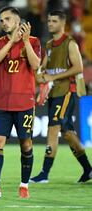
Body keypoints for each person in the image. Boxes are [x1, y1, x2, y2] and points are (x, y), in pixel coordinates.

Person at [0, 6, 41, 198]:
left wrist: (24, 42)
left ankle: (24, 185)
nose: (3, 22)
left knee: (26, 144)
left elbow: (36, 65)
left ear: (17, 21)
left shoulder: (34, 41)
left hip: (24, 102)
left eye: (7, 19)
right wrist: (11, 42)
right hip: (2, 103)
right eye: (1, 20)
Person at [30, 10, 92, 184]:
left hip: (66, 92)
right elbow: (43, 69)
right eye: (49, 20)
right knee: (68, 133)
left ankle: (44, 173)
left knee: (53, 129)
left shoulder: (70, 43)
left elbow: (79, 68)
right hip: (54, 93)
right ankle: (88, 169)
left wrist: (52, 77)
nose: (50, 23)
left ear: (62, 23)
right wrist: (40, 76)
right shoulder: (49, 45)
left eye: (54, 21)